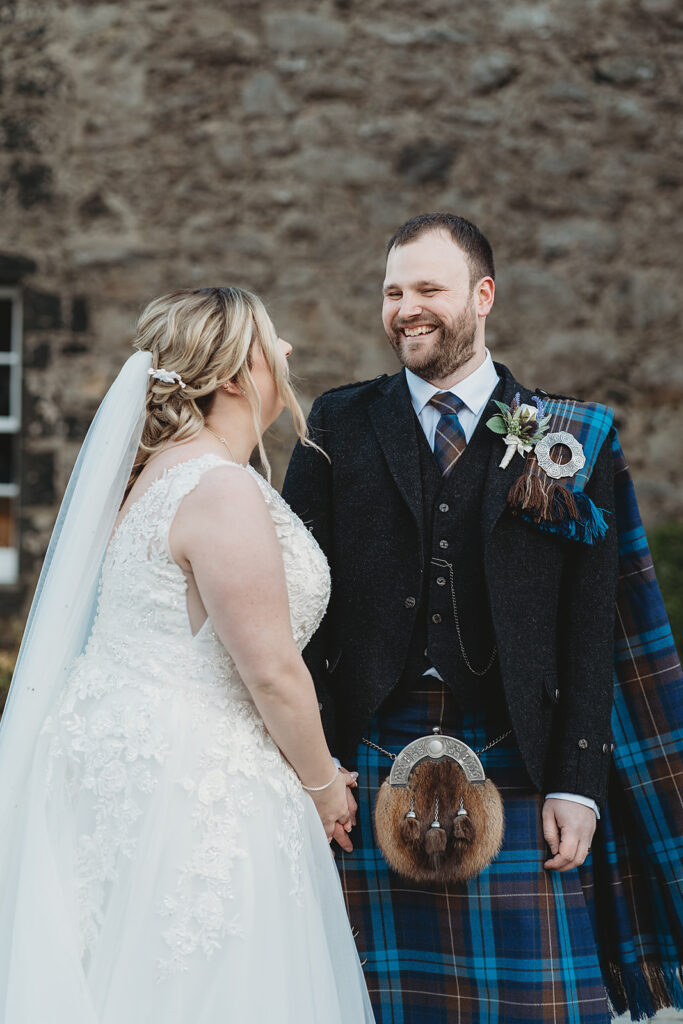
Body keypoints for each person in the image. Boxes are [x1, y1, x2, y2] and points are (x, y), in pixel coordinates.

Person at [283, 213, 683, 1023]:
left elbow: (587, 631)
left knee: (536, 1005)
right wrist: (316, 765)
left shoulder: (573, 438)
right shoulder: (337, 422)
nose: (406, 308)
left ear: (483, 295)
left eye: (428, 288)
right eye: (392, 292)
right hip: (366, 756)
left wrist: (576, 782)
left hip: (518, 759)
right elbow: (295, 605)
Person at [0, 286, 375, 1023]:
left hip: (121, 758)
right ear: (234, 375)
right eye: (274, 341)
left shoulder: (148, 479)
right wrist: (324, 784)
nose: (289, 353)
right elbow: (268, 670)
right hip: (197, 779)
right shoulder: (219, 489)